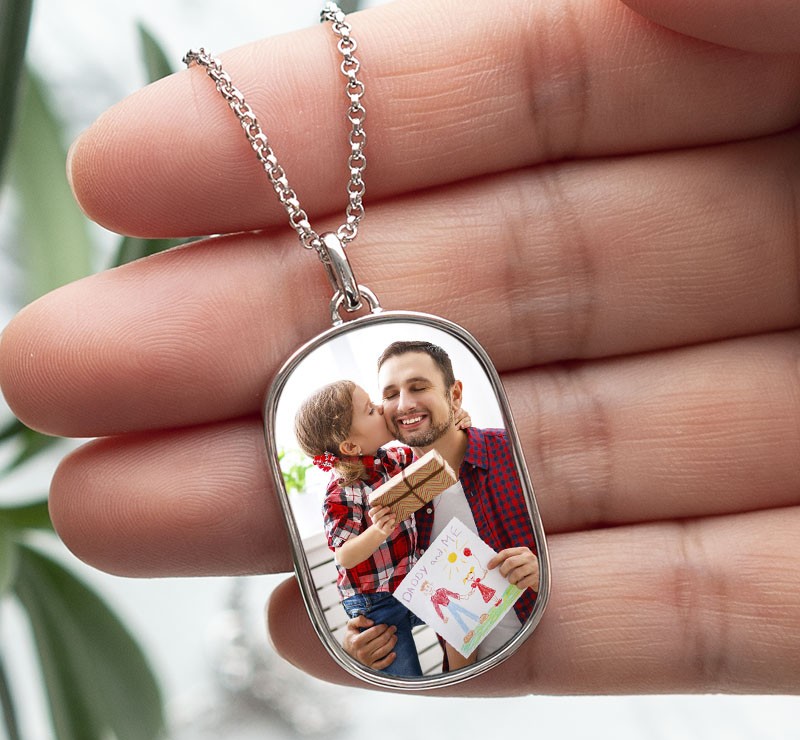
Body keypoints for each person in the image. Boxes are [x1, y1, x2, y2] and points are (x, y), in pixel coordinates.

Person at [1, 0, 799, 695]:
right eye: (384, 399)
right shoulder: (366, 482)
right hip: (390, 605)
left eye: (414, 389)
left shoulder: (476, 463)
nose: (398, 408)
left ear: (456, 395)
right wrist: (366, 607)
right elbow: (348, 553)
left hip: (468, 607)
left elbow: (492, 551)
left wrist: (515, 573)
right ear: (358, 433)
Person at [342, 340, 540, 670]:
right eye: (390, 395)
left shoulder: (513, 453)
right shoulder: (382, 500)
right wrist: (356, 642)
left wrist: (544, 571)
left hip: (549, 647)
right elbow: (384, 595)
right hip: (471, 680)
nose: (404, 404)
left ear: (455, 395)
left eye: (418, 387)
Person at [293, 378, 470, 676]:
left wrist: (457, 426)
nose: (381, 408)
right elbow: (344, 556)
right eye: (371, 410)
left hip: (412, 583)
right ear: (351, 445)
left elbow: (438, 458)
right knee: (400, 670)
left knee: (461, 621)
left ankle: (459, 677)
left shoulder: (393, 460)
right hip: (376, 602)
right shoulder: (342, 492)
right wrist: (377, 531)